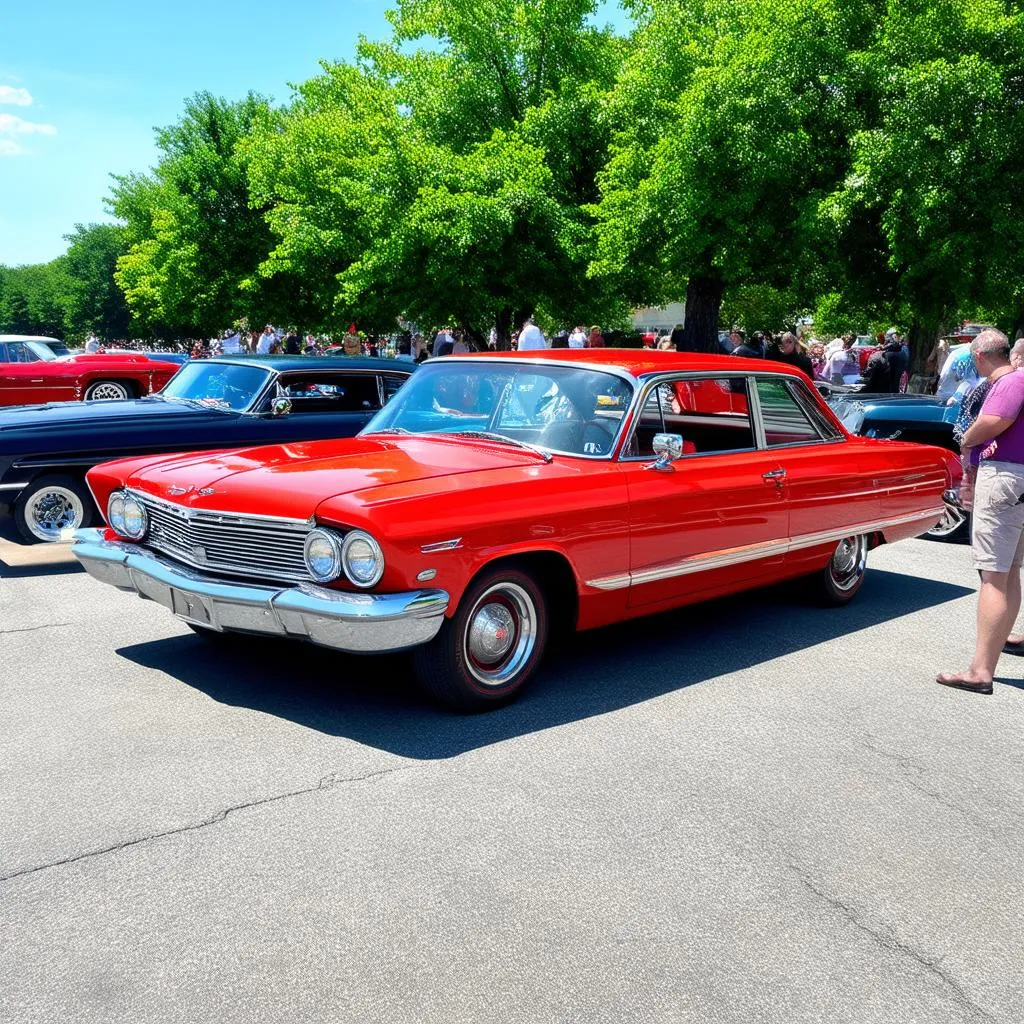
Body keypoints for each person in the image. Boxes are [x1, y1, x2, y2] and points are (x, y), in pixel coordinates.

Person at [937, 329, 1024, 693]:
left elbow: (995, 421)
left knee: (992, 576)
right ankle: (999, 644)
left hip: (1004, 475)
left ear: (978, 356)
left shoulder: (1008, 382)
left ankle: (980, 671)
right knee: (1010, 569)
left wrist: (968, 437)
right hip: (1018, 478)